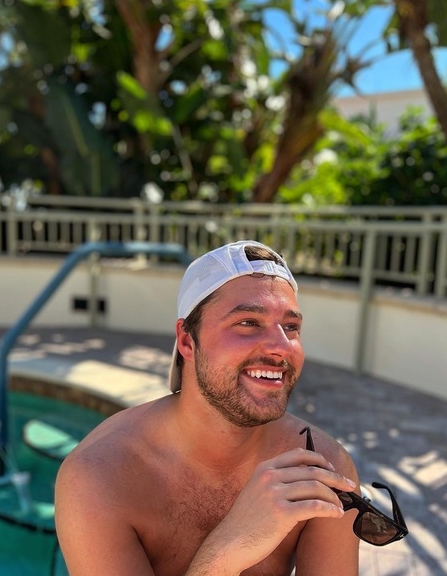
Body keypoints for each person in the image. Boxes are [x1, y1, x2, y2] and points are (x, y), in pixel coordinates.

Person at [55, 240, 360, 575]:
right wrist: (226, 553)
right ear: (187, 340)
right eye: (248, 322)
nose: (281, 347)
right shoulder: (100, 477)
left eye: (291, 327)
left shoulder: (323, 467)